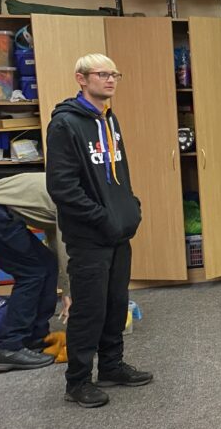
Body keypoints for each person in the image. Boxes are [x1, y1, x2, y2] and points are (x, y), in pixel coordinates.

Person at [46, 53, 150, 408]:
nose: (110, 80)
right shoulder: (65, 124)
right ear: (81, 78)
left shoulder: (109, 118)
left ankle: (111, 366)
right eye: (102, 74)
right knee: (90, 309)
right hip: (89, 236)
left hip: (117, 232)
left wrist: (130, 206)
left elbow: (119, 172)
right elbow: (62, 188)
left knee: (115, 303)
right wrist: (103, 217)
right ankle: (77, 382)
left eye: (114, 74)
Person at [0, 173, 70, 372]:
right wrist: (69, 292)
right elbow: (66, 247)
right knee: (31, 273)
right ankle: (9, 347)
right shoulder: (71, 197)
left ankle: (34, 337)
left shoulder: (69, 186)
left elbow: (55, 240)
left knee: (47, 265)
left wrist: (64, 285)